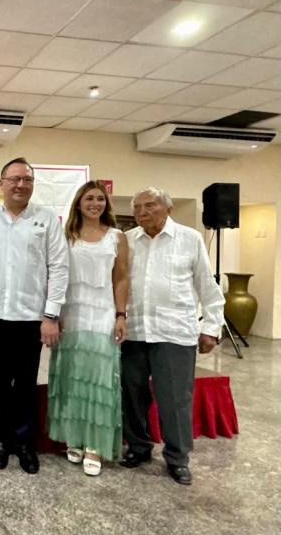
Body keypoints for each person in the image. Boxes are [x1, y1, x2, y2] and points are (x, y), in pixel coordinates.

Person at [120, 187, 224, 486]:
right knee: (132, 396)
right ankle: (138, 448)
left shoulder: (190, 239)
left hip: (174, 333)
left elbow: (208, 286)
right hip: (135, 331)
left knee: (175, 400)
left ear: (168, 208)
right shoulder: (127, 240)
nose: (142, 211)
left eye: (149, 205)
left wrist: (211, 329)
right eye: (137, 206)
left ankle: (177, 458)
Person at [0, 157, 69, 475]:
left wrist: (51, 315)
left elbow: (59, 268)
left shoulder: (46, 220)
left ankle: (24, 442)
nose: (21, 185)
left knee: (27, 386)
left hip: (33, 319)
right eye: (15, 179)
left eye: (27, 180)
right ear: (1, 183)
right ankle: (0, 441)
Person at [47, 181, 129, 476]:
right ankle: (76, 437)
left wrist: (121, 315)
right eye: (89, 198)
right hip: (72, 313)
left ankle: (95, 443)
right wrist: (54, 314)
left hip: (102, 314)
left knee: (99, 378)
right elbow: (53, 274)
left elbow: (121, 279)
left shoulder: (117, 238)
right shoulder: (65, 236)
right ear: (78, 203)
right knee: (73, 377)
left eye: (100, 199)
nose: (95, 203)